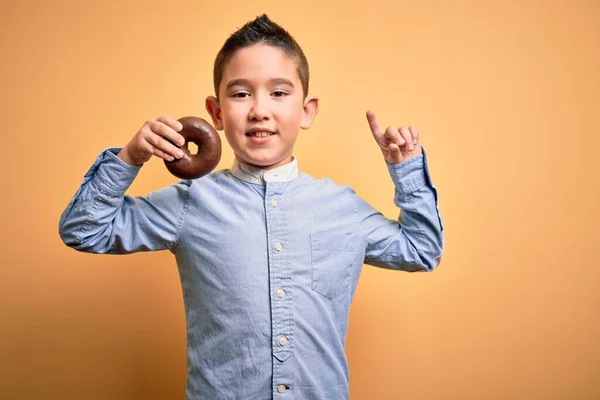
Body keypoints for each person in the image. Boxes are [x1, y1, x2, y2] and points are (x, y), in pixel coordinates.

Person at [59, 13, 444, 400]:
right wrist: (131, 157)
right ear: (216, 113)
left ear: (307, 110)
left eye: (279, 93)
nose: (259, 109)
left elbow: (421, 250)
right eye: (241, 93)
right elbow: (84, 230)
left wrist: (406, 170)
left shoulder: (342, 208)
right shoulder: (190, 202)